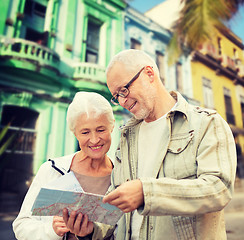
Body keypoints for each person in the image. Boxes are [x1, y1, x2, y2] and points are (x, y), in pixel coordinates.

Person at [102, 49, 237, 240]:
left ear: (149, 74)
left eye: (124, 90)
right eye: (116, 96)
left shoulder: (206, 123)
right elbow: (115, 208)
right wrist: (89, 230)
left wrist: (146, 193)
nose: (123, 102)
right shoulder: (126, 138)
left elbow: (218, 189)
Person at [13, 92, 115, 240]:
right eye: (85, 132)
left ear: (111, 127)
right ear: (75, 133)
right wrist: (52, 230)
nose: (94, 140)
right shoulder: (51, 170)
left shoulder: (121, 176)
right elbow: (21, 226)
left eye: (101, 130)